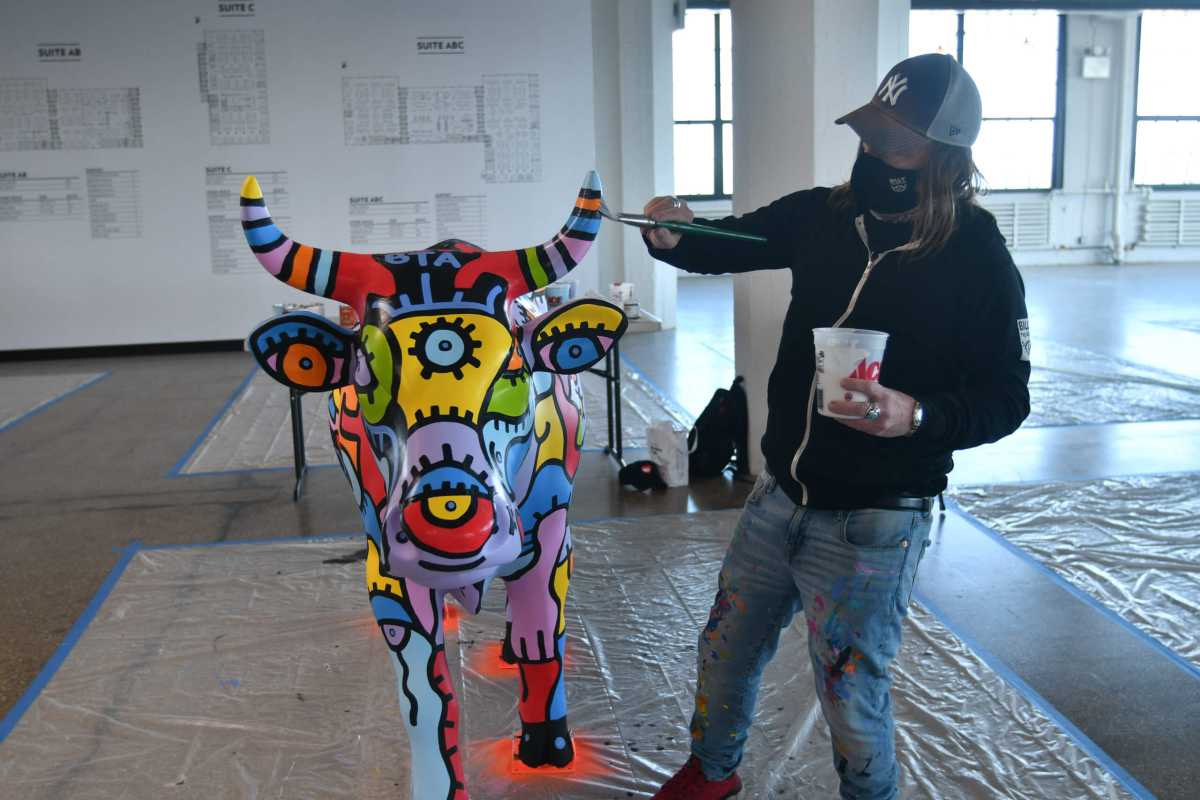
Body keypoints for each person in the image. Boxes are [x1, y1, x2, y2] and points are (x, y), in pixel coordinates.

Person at [643, 53, 1031, 800]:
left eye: (897, 143)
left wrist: (917, 416)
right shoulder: (825, 215)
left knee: (851, 699)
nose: (876, 155)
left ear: (943, 157)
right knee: (725, 651)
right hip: (778, 498)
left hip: (876, 522)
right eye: (870, 135)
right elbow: (734, 240)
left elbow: (1007, 397)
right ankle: (711, 773)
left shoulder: (977, 254)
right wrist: (673, 234)